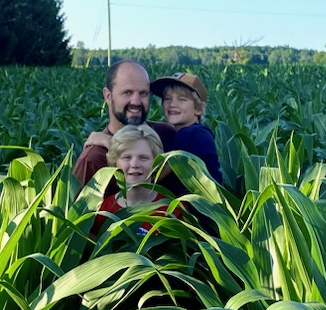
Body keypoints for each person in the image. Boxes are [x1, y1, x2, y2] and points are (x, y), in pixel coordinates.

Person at [73, 60, 175, 188]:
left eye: (143, 93)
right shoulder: (94, 159)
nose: (136, 101)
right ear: (108, 96)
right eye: (127, 92)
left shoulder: (166, 135)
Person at [93, 124, 172, 235]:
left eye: (143, 158)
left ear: (156, 162)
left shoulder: (172, 211)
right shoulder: (102, 211)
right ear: (115, 162)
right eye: (127, 157)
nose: (135, 164)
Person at [150, 72, 221, 184]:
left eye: (182, 99)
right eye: (167, 98)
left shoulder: (193, 135)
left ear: (198, 109)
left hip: (191, 201)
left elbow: (154, 179)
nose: (172, 104)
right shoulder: (191, 132)